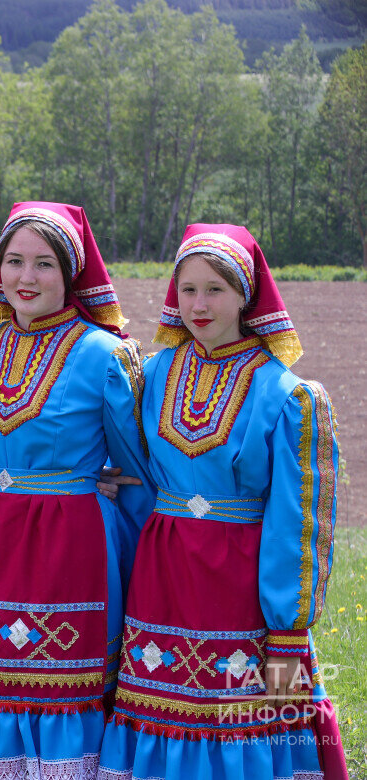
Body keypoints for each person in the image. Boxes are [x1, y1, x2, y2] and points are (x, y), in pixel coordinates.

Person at [96, 224, 348, 780]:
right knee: (160, 705)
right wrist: (99, 481)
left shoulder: (289, 394)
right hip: (161, 578)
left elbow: (298, 522)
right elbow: (133, 467)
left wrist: (286, 637)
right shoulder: (150, 376)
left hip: (244, 585)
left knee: (263, 711)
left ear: (245, 295)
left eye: (216, 289)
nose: (199, 305)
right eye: (188, 289)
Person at [0, 202, 153, 780]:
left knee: (57, 688)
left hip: (68, 544)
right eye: (14, 261)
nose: (26, 278)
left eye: (44, 264)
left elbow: (136, 472)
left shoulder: (105, 356)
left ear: (71, 274)